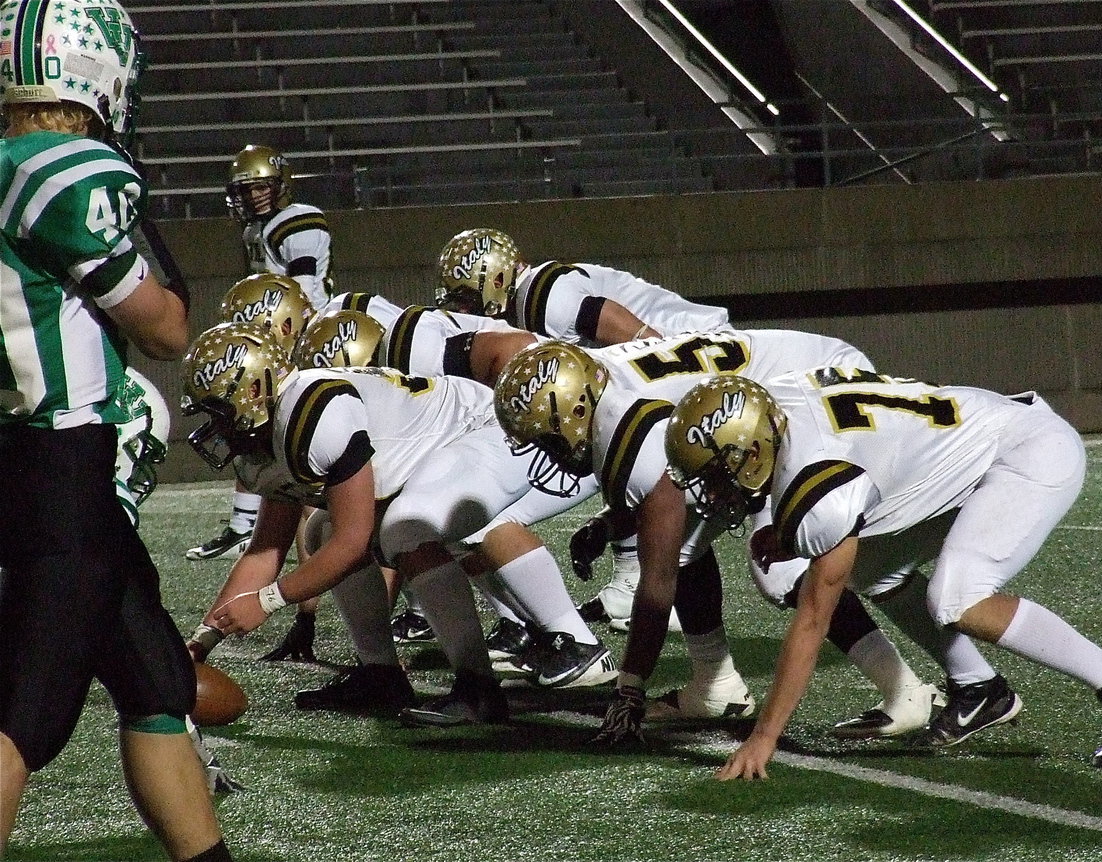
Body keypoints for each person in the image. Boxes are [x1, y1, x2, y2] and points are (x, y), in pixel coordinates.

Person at [664, 373, 1102, 776]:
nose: (712, 491)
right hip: (975, 445)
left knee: (959, 598)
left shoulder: (815, 480)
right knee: (875, 570)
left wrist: (763, 737)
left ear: (752, 451)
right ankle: (978, 688)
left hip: (1025, 452)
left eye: (715, 473)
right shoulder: (776, 400)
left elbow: (812, 622)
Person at [493, 336, 999, 739]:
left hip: (806, 402)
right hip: (756, 407)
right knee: (695, 540)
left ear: (573, 409)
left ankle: (913, 690)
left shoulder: (629, 428)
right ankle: (715, 685)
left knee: (783, 568)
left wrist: (629, 688)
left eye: (545, 438)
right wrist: (610, 522)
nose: (548, 453)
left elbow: (657, 580)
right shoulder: (603, 391)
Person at [0, 0, 234, 858]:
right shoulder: (65, 169)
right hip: (60, 458)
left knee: (156, 680)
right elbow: (166, 330)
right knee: (25, 713)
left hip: (30, 457)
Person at [179, 322, 596, 725]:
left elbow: (353, 541)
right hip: (429, 458)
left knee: (405, 529)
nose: (213, 427)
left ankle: (478, 688)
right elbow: (265, 551)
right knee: (319, 529)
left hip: (483, 429)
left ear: (254, 389)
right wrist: (200, 643)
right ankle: (382, 675)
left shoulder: (311, 409)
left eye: (216, 409)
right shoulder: (268, 440)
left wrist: (269, 601)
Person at [436, 227, 728, 631]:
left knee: (613, 450)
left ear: (495, 278)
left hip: (701, 368)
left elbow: (651, 347)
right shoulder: (531, 297)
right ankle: (632, 583)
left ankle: (554, 624)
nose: (467, 308)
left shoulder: (543, 297)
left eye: (467, 296)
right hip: (691, 371)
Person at [186, 143, 333, 562]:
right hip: (271, 339)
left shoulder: (297, 221)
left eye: (262, 187)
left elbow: (301, 292)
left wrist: (283, 342)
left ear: (282, 183)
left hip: (301, 337)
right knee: (246, 424)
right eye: (245, 189)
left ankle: (298, 528)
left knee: (274, 430)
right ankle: (243, 526)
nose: (253, 196)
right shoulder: (256, 228)